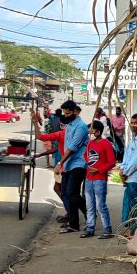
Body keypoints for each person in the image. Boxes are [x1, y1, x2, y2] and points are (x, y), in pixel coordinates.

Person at [81, 120, 116, 239]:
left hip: (100, 179)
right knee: (89, 205)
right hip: (89, 178)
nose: (89, 132)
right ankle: (90, 227)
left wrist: (98, 170)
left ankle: (107, 229)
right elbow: (85, 155)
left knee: (101, 205)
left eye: (91, 130)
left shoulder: (106, 143)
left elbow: (111, 162)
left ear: (98, 131)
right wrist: (89, 164)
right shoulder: (90, 143)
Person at [57, 100, 88, 234]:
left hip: (78, 163)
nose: (66, 115)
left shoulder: (81, 127)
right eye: (64, 112)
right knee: (66, 193)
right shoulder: (69, 125)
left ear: (75, 111)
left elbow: (72, 148)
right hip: (69, 165)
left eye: (68, 112)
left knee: (73, 193)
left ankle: (89, 215)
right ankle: (73, 224)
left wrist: (60, 163)